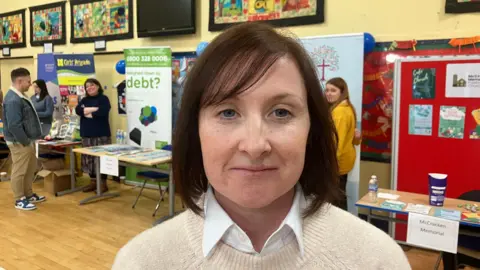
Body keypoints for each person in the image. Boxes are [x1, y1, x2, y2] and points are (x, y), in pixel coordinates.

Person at [112, 22, 410, 269]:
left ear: (312, 129)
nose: (255, 146)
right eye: (227, 112)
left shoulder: (378, 260)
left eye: (281, 112)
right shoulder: (141, 262)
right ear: (195, 130)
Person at [3, 68, 45, 211]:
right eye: (28, 81)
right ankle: (19, 199)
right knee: (20, 170)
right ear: (19, 81)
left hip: (27, 140)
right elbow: (14, 125)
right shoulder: (13, 99)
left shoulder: (21, 95)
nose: (30, 84)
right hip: (19, 142)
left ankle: (28, 194)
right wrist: (25, 141)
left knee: (30, 168)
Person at [325, 77, 362, 211]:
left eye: (333, 90)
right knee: (338, 197)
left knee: (334, 201)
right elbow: (353, 138)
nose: (328, 93)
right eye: (327, 90)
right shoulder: (347, 107)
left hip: (337, 162)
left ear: (342, 92)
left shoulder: (339, 112)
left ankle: (338, 228)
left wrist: (331, 165)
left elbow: (337, 142)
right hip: (343, 161)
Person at [75, 78, 111, 193]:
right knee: (89, 159)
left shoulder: (103, 99)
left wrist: (87, 111)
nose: (89, 88)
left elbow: (103, 111)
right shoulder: (84, 99)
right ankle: (93, 182)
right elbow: (78, 110)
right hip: (87, 134)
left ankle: (103, 184)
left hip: (101, 134)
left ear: (98, 86)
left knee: (101, 159)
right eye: (87, 86)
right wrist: (93, 110)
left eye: (92, 85)